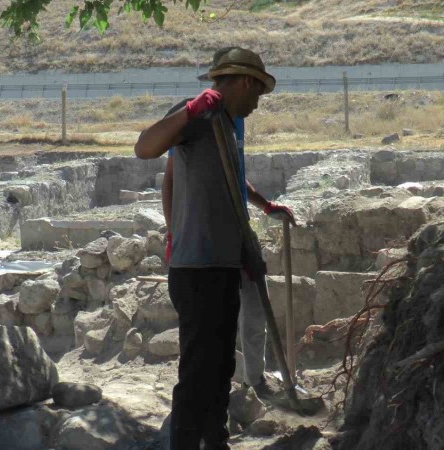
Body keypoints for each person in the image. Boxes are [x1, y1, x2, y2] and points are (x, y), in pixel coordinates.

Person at [134, 47, 293, 450]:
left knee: (221, 365)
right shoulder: (197, 115)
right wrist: (190, 110)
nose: (258, 103)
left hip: (224, 262)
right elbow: (145, 149)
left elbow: (233, 178)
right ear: (245, 82)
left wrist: (264, 206)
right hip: (196, 266)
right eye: (258, 93)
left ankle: (215, 440)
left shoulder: (232, 123)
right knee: (198, 373)